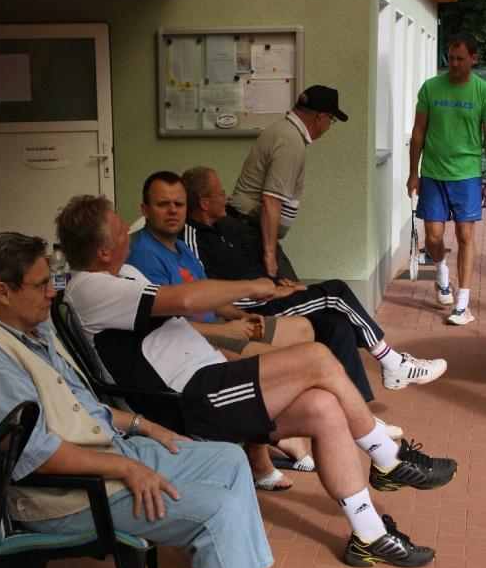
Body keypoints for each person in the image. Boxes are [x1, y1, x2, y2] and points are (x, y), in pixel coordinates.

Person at [0, 232, 309, 568]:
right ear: (2, 291)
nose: (52, 292)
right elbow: (35, 456)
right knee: (214, 510)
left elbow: (81, 408)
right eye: (41, 284)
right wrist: (125, 466)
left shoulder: (27, 330)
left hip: (108, 453)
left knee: (227, 458)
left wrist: (146, 426)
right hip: (66, 496)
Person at [55, 190, 457, 568]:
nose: (129, 231)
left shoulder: (123, 273)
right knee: (317, 357)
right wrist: (252, 286)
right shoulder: (91, 288)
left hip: (212, 379)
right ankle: (387, 458)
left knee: (323, 408)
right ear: (102, 251)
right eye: (120, 229)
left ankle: (369, 536)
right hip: (189, 402)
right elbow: (187, 300)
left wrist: (230, 348)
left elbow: (175, 329)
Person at [131, 169, 447, 401]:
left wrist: (274, 284)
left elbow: (225, 278)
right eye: (164, 204)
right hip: (246, 309)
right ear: (203, 202)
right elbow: (202, 295)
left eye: (178, 204)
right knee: (336, 292)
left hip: (252, 303)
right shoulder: (182, 240)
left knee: (335, 322)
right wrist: (249, 303)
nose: (225, 197)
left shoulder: (216, 231)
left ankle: (357, 406)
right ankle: (391, 362)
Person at [227, 84, 348, 280]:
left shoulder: (285, 131)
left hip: (249, 226)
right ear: (320, 117)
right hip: (248, 229)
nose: (329, 126)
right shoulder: (291, 141)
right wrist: (270, 255)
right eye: (331, 120)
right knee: (291, 292)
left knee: (283, 292)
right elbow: (271, 200)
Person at [407, 32, 486, 325]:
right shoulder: (431, 88)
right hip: (433, 173)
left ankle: (462, 304)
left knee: (465, 235)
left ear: (474, 59)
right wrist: (413, 173)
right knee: (433, 237)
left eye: (460, 59)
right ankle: (442, 275)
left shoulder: (482, 91)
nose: (454, 63)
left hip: (467, 174)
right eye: (451, 58)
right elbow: (418, 133)